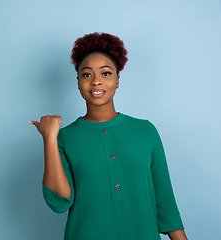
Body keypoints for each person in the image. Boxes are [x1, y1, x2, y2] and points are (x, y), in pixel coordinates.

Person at [29, 32, 188, 240]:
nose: (96, 82)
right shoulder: (64, 138)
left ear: (117, 80)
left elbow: (165, 205)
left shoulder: (146, 131)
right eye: (87, 75)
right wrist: (49, 138)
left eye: (105, 73)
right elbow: (59, 202)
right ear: (78, 82)